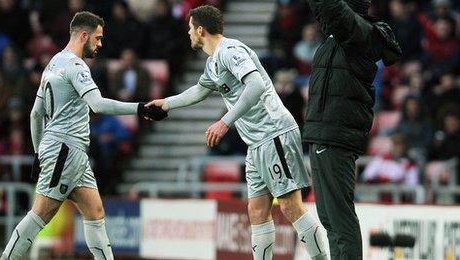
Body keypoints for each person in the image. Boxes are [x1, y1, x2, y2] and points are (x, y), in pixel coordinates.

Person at [146, 5, 328, 260]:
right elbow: (198, 91)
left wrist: (225, 121)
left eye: (190, 28)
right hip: (255, 143)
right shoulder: (213, 62)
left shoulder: (231, 51)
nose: (188, 33)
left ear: (200, 30)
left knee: (289, 205)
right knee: (256, 210)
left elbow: (255, 85)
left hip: (274, 132)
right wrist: (166, 103)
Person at [0, 11, 167, 260]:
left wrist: (37, 153)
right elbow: (97, 105)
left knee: (95, 211)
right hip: (65, 149)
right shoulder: (76, 65)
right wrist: (140, 108)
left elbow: (36, 114)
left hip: (68, 151)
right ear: (84, 35)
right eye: (98, 39)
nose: (100, 44)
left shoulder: (54, 63)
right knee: (40, 215)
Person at [303, 0, 402, 258]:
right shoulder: (341, 35)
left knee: (339, 217)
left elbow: (331, 9)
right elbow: (324, 10)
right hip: (325, 133)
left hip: (335, 135)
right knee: (329, 217)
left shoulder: (359, 33)